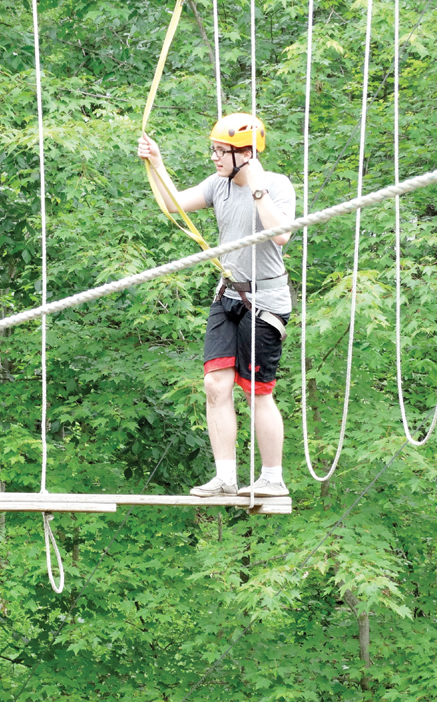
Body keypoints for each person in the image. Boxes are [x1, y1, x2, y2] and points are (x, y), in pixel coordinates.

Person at [137, 113, 296, 497]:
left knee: (256, 390)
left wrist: (257, 190)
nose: (214, 157)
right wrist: (157, 164)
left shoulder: (277, 185)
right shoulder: (218, 185)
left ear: (246, 154)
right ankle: (226, 476)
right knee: (214, 384)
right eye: (214, 150)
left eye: (222, 151)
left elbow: (282, 236)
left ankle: (272, 478)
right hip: (229, 296)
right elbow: (171, 205)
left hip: (265, 301)